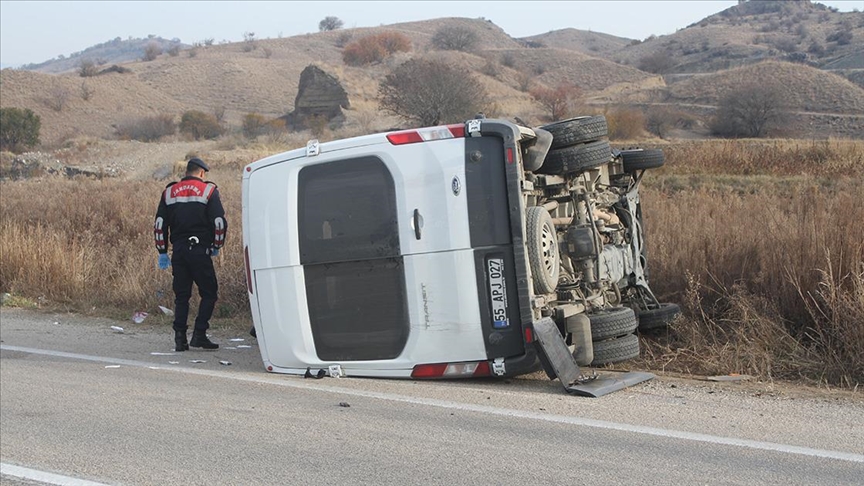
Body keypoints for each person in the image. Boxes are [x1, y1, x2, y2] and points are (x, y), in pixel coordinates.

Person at [154, 157, 226, 351]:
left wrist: (162, 251)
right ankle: (199, 334)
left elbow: (160, 225)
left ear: (187, 171)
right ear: (202, 173)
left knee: (182, 296)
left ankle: (180, 338)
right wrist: (217, 246)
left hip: (178, 252)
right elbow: (219, 222)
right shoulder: (209, 191)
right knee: (209, 293)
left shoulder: (169, 192)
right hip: (200, 250)